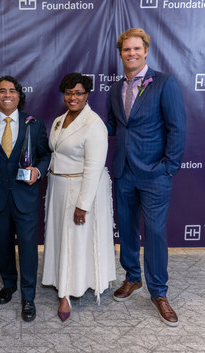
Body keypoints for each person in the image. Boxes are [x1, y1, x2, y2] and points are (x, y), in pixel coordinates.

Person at [107, 28, 186, 327]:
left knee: (154, 233)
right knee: (126, 229)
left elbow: (177, 128)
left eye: (137, 49)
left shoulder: (165, 83)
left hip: (155, 174)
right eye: (126, 50)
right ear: (121, 53)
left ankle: (159, 292)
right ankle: (132, 278)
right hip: (124, 171)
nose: (132, 54)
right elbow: (115, 126)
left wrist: (169, 168)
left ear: (146, 51)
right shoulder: (116, 89)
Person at [0, 76, 51, 322]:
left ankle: (28, 297)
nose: (7, 94)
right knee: (3, 245)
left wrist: (38, 170)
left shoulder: (33, 123)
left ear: (19, 95)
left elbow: (46, 154)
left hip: (25, 196)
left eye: (11, 90)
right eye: (1, 91)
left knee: (27, 248)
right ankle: (9, 284)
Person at [42, 73, 116, 322]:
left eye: (78, 93)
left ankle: (67, 293)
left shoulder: (94, 124)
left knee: (74, 240)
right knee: (61, 238)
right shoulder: (59, 120)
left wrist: (82, 205)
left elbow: (94, 168)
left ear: (87, 95)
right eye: (68, 92)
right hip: (58, 187)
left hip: (79, 190)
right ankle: (58, 279)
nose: (72, 97)